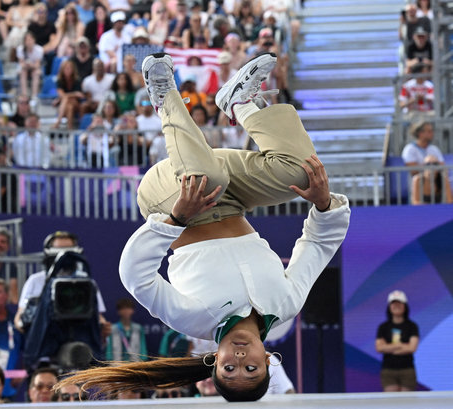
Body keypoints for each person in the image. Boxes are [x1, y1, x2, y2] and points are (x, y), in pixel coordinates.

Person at [54, 52, 350, 401]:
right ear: (269, 359)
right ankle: (239, 101)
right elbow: (316, 246)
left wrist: (176, 218)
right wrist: (322, 202)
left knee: (207, 179)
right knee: (301, 173)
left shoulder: (192, 320)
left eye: (229, 368)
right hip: (230, 193)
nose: (240, 359)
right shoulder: (285, 304)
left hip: (172, 196)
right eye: (251, 368)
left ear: (213, 360)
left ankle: (164, 96)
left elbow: (135, 275)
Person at [375, 290, 420, 392]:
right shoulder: (383, 327)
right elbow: (379, 347)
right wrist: (400, 345)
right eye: (393, 304)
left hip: (407, 369)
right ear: (389, 307)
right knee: (391, 402)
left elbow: (412, 348)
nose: (396, 306)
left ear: (405, 306)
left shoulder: (412, 326)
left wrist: (389, 347)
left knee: (407, 403)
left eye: (399, 303)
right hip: (388, 369)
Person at [105, 298, 148, 362]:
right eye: (123, 308)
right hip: (117, 364)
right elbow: (109, 348)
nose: (126, 311)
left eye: (128, 308)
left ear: (133, 310)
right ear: (118, 311)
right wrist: (110, 360)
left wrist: (143, 360)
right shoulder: (113, 328)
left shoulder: (138, 328)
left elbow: (143, 348)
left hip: (135, 364)